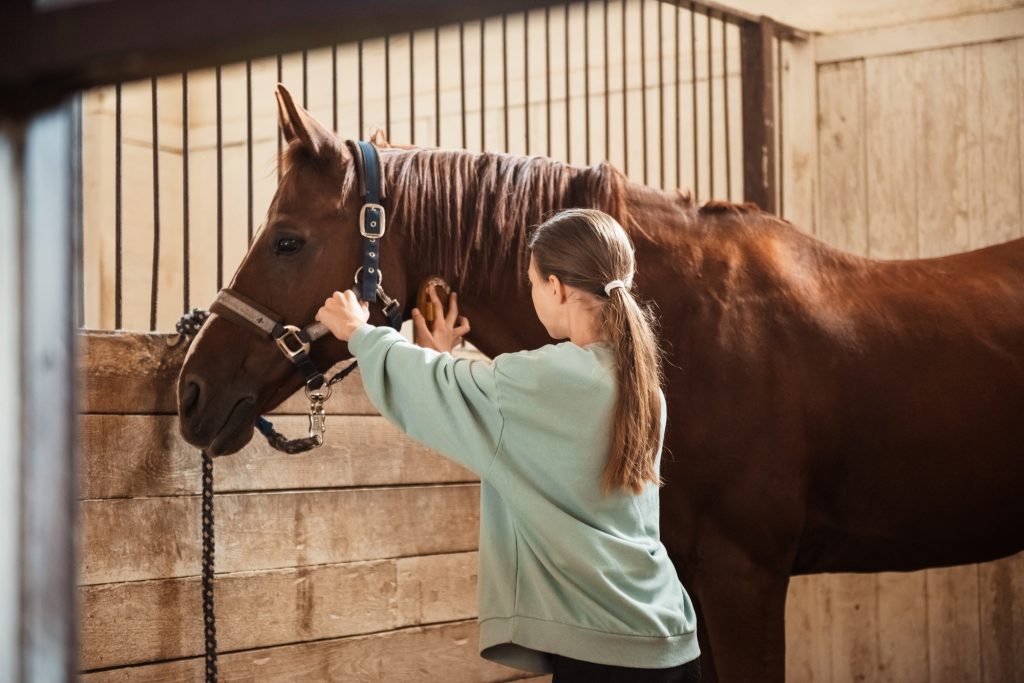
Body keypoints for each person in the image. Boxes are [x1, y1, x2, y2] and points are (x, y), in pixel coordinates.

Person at [315, 208, 701, 683]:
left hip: (606, 652)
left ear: (556, 288)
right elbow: (518, 426)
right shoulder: (644, 387)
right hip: (669, 636)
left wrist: (359, 332)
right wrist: (441, 360)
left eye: (534, 284)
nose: (535, 295)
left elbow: (459, 391)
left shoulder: (545, 377)